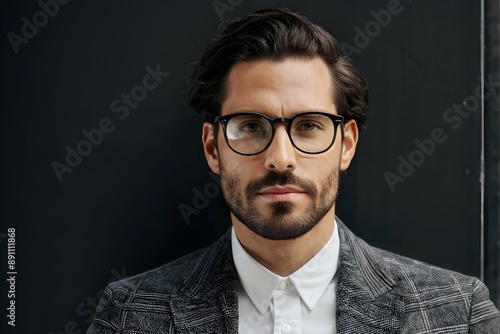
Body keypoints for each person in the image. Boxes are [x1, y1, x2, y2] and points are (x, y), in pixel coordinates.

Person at [87, 7, 500, 333]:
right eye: (250, 127)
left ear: (346, 144)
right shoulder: (129, 316)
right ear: (213, 148)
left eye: (308, 126)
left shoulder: (457, 315)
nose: (280, 158)